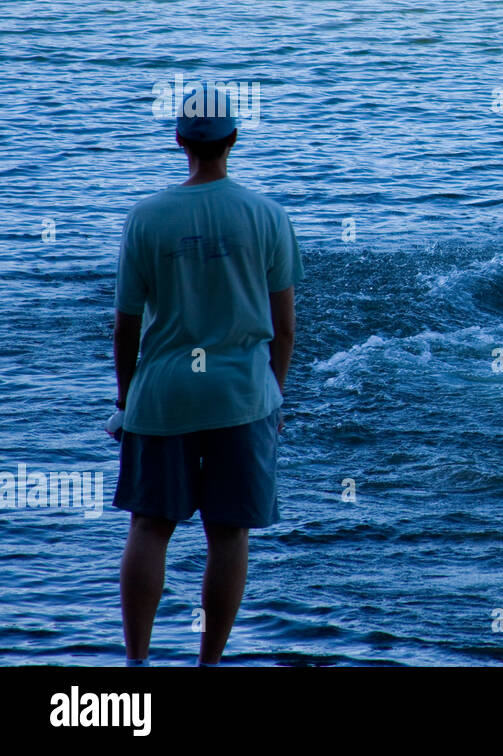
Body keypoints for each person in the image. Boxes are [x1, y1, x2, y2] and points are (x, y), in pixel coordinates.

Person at [110, 82, 303, 666]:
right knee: (228, 534)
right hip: (242, 395)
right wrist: (274, 398)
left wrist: (126, 403)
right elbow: (284, 328)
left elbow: (126, 327)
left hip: (162, 397)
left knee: (150, 527)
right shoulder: (267, 216)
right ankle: (209, 663)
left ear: (178, 142)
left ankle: (137, 664)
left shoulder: (146, 218)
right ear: (234, 141)